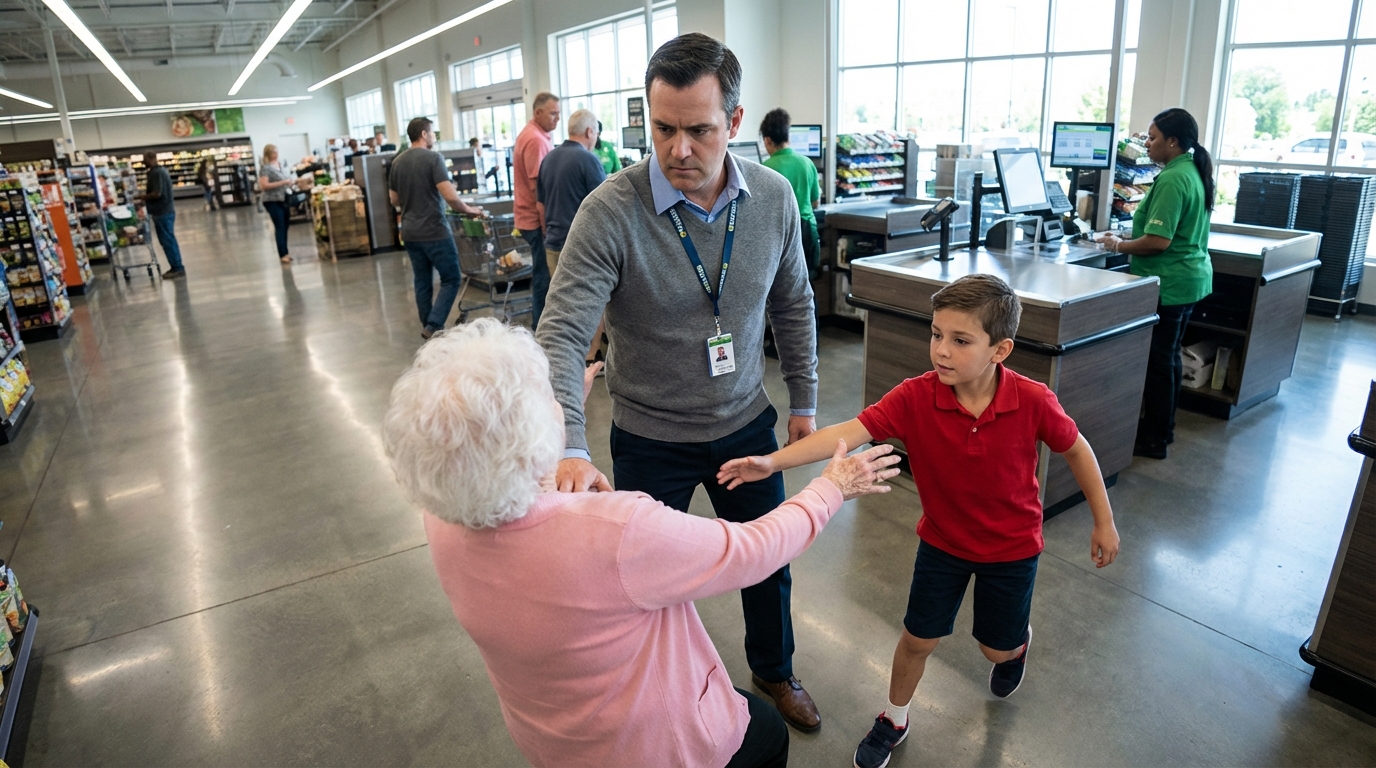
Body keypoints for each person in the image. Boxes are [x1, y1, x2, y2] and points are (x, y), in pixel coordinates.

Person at [383, 318, 902, 768]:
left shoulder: (443, 519)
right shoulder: (615, 530)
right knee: (764, 735)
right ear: (530, 434)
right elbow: (753, 549)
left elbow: (487, 460)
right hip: (657, 750)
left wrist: (550, 419)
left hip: (553, 743)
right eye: (547, 397)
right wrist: (831, 488)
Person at [535, 33, 824, 732]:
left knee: (767, 565)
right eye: (663, 128)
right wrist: (569, 443)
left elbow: (793, 302)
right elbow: (562, 334)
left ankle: (774, 671)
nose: (679, 149)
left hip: (746, 424)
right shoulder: (611, 211)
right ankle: (654, 692)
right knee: (641, 584)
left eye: (699, 129)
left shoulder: (776, 199)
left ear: (734, 120)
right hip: (648, 434)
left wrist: (805, 400)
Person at [717, 273, 1122, 768]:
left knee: (994, 651)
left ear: (1001, 349)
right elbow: (849, 431)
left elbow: (1077, 450)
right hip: (943, 545)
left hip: (1012, 550)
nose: (941, 351)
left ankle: (1014, 647)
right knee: (917, 640)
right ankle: (894, 717)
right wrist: (772, 463)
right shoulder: (915, 396)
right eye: (936, 335)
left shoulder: (1032, 400)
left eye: (960, 340)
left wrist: (1103, 522)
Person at [1100, 107, 1214, 460]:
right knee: (1168, 358)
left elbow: (1158, 241)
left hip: (1170, 281)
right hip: (1188, 277)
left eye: (1152, 137)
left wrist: (1116, 245)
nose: (1146, 143)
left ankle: (1153, 439)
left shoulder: (1173, 179)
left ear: (1173, 142)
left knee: (1158, 361)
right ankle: (1164, 429)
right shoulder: (1190, 171)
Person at [388, 117, 485, 339]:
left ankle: (429, 328)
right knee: (451, 278)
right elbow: (450, 197)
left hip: (410, 232)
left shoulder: (397, 162)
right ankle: (433, 325)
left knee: (422, 281)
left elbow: (394, 199)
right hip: (434, 230)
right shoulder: (433, 159)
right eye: (432, 132)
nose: (434, 136)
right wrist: (468, 209)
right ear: (423, 134)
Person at [537, 108, 606, 279]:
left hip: (553, 245)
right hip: (580, 249)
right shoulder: (588, 160)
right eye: (596, 133)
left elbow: (540, 206)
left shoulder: (548, 159)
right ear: (589, 132)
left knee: (560, 302)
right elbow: (604, 206)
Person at [514, 91, 561, 330]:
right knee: (543, 277)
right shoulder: (535, 140)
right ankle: (540, 329)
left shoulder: (534, 135)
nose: (557, 119)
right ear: (538, 112)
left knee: (542, 274)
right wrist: (546, 225)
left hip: (527, 218)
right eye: (553, 113)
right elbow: (537, 188)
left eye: (559, 114)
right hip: (534, 220)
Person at [759, 108, 820, 280]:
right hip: (808, 229)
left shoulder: (765, 168)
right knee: (807, 284)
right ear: (788, 136)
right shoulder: (807, 163)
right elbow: (816, 202)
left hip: (782, 233)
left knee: (784, 286)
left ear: (767, 140)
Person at [142, 153, 185, 279]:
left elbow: (157, 193)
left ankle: (177, 268)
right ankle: (176, 266)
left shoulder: (156, 173)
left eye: (145, 160)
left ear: (151, 159)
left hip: (162, 212)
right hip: (165, 211)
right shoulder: (160, 171)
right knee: (168, 239)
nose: (144, 163)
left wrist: (141, 197)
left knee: (167, 240)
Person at [258, 144, 297, 265]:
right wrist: (283, 182)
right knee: (280, 225)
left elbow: (286, 179)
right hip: (271, 200)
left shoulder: (280, 165)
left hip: (283, 198)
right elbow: (264, 186)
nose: (276, 154)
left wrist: (290, 182)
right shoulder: (265, 168)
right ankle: (282, 254)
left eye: (276, 152)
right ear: (268, 154)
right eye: (273, 153)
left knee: (285, 225)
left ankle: (286, 252)